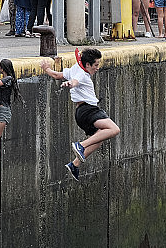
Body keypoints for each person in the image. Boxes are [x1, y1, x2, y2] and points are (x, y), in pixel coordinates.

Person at [40, 48, 121, 181]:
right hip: (89, 110)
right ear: (88, 65)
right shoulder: (82, 74)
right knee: (114, 129)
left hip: (80, 113)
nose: (97, 68)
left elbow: (57, 75)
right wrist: (70, 84)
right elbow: (75, 81)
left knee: (98, 139)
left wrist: (46, 69)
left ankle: (75, 164)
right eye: (96, 65)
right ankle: (81, 145)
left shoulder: (75, 68)